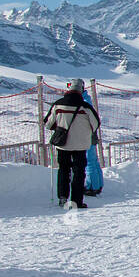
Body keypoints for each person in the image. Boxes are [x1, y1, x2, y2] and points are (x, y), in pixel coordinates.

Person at [44, 79, 102, 209]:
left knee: (63, 170)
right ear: (81, 90)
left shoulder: (58, 105)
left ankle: (63, 197)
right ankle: (77, 201)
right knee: (79, 172)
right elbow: (95, 124)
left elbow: (48, 123)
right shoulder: (86, 107)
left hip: (63, 144)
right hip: (81, 145)